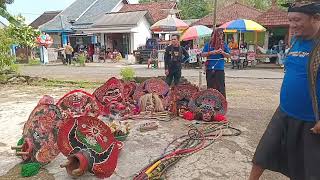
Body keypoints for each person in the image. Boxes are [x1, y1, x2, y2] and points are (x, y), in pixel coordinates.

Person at [249, 1, 320, 180]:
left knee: (307, 169)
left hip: (310, 119)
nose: (292, 25)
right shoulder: (297, 40)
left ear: (316, 19)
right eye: (290, 20)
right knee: (262, 154)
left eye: (297, 20)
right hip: (285, 110)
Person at [201, 29, 230, 97]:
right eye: (218, 35)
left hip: (219, 68)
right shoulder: (208, 45)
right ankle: (210, 102)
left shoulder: (223, 44)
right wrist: (212, 52)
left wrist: (222, 52)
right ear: (212, 36)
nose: (220, 36)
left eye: (222, 34)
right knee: (210, 86)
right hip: (209, 68)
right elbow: (202, 54)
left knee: (220, 87)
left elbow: (229, 55)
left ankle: (222, 103)